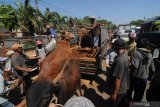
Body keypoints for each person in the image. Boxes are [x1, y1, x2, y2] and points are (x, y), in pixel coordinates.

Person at [106, 38, 130, 107]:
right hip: (123, 88)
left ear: (115, 47)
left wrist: (114, 93)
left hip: (119, 91)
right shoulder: (124, 55)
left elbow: (118, 78)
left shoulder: (119, 61)